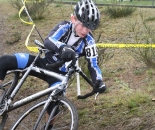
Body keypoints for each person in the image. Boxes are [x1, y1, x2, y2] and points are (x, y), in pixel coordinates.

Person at [0, 0, 106, 129]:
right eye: (83, 25)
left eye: (89, 27)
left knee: (55, 104)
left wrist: (98, 81)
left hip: (60, 76)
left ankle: (47, 127)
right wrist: (63, 48)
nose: (85, 30)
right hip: (43, 64)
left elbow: (93, 65)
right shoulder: (65, 26)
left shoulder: (89, 42)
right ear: (73, 19)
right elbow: (49, 40)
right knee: (4, 61)